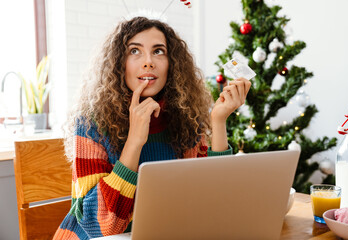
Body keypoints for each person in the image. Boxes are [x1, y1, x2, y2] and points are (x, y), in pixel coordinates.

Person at [53, 16, 251, 240]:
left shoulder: (185, 117)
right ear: (119, 62)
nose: (149, 62)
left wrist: (218, 121)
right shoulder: (91, 123)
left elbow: (214, 198)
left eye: (159, 51)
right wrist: (134, 141)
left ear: (172, 64)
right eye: (135, 51)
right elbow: (99, 226)